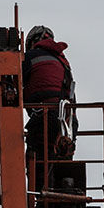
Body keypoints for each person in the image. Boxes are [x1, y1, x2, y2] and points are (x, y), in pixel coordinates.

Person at [22, 24, 77, 169]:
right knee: (62, 167)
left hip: (43, 119)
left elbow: (12, 85)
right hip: (67, 122)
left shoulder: (29, 57)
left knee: (38, 165)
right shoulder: (63, 63)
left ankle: (38, 190)